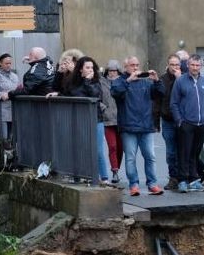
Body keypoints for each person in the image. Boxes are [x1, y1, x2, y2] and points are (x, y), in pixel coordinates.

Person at [110, 56, 164, 196]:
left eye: (137, 65)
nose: (135, 67)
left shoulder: (145, 82)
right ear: (125, 66)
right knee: (130, 158)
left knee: (150, 157)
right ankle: (133, 184)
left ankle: (152, 184)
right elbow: (115, 92)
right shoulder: (120, 81)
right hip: (129, 126)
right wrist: (128, 81)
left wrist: (157, 80)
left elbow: (161, 93)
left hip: (146, 126)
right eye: (132, 65)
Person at [66, 56, 111, 185]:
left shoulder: (96, 81)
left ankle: (104, 177)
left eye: (92, 67)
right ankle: (85, 174)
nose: (90, 70)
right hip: (79, 119)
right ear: (80, 69)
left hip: (96, 118)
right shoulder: (73, 82)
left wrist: (88, 82)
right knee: (81, 147)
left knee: (98, 150)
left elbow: (95, 95)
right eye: (87, 67)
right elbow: (74, 94)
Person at [170, 54, 204, 193]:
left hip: (202, 124)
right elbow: (174, 103)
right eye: (192, 65)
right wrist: (179, 121)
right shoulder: (180, 81)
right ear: (187, 65)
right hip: (186, 123)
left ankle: (194, 179)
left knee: (195, 153)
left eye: (197, 65)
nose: (195, 67)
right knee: (184, 153)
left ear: (201, 66)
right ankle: (182, 180)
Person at [158, 54, 182, 188]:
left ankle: (183, 177)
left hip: (182, 120)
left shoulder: (184, 78)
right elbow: (163, 98)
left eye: (177, 65)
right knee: (171, 151)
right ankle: (173, 178)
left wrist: (179, 80)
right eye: (172, 65)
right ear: (168, 65)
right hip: (168, 120)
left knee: (182, 150)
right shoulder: (162, 79)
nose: (175, 67)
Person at [100, 61, 123, 184]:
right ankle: (115, 171)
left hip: (121, 120)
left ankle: (117, 168)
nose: (112, 73)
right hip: (107, 119)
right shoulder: (101, 82)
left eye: (114, 71)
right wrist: (104, 108)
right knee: (112, 146)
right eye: (110, 71)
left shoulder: (123, 82)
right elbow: (97, 98)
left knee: (120, 147)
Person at [0, 54, 19, 143]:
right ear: (0, 63)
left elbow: (18, 89)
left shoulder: (15, 76)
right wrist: (3, 94)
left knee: (12, 138)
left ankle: (10, 156)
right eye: (6, 63)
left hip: (13, 110)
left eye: (10, 63)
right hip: (1, 111)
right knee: (4, 139)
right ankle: (2, 156)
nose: (9, 65)